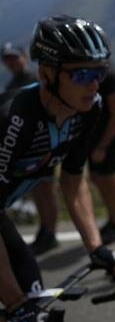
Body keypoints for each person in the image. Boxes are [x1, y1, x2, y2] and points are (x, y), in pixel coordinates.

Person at [0, 16, 115, 322]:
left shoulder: (90, 110)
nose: (94, 83)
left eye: (100, 72)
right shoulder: (18, 118)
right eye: (82, 74)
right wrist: (14, 303)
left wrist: (96, 246)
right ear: (47, 73)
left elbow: (73, 181)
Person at [1, 43, 60, 254]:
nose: (11, 62)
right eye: (7, 59)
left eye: (14, 57)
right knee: (36, 188)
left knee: (46, 188)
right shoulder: (12, 84)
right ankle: (44, 230)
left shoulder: (36, 79)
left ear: (24, 56)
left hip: (44, 143)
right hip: (26, 147)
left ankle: (50, 232)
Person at [87, 62, 115, 244]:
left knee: (108, 178)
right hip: (92, 136)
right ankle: (112, 220)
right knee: (97, 178)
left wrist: (102, 146)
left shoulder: (111, 76)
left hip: (106, 137)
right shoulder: (89, 72)